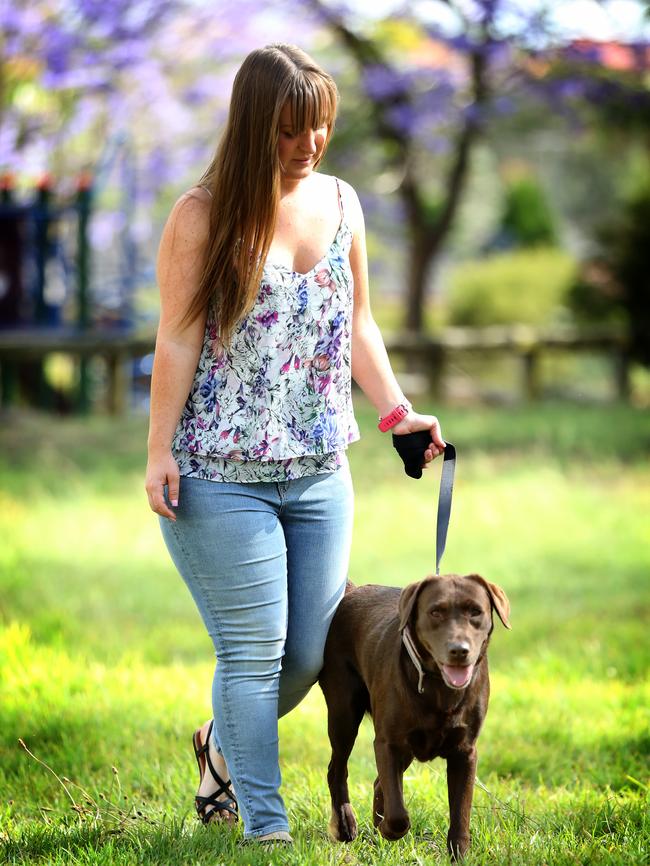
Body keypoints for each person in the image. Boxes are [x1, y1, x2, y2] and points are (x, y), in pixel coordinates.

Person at [145, 43, 445, 844]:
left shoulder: (344, 202)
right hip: (219, 473)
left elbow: (359, 326)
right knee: (252, 650)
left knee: (309, 657)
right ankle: (265, 829)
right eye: (289, 130)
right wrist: (158, 450)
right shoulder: (202, 214)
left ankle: (218, 743)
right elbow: (175, 341)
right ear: (253, 127)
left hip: (319, 472)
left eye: (319, 127)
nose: (308, 145)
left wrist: (398, 412)